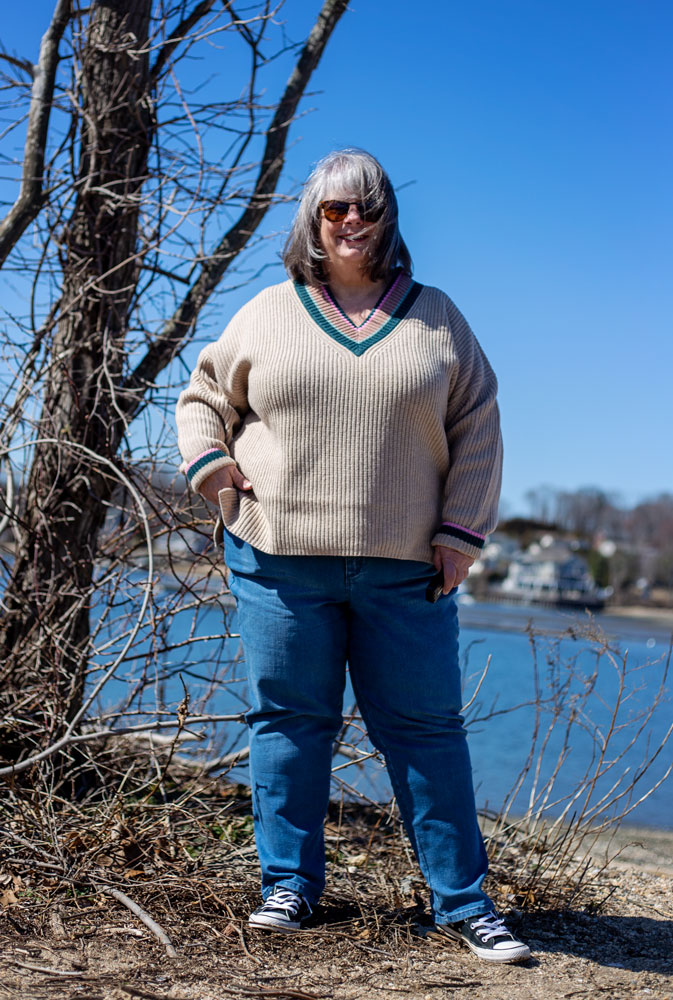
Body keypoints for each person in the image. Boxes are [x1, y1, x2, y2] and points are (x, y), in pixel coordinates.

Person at [176, 148, 530, 964]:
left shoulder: (437, 316)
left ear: (386, 220)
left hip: (406, 568)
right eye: (334, 209)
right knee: (290, 725)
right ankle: (287, 887)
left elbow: (478, 426)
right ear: (311, 219)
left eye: (365, 208)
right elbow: (201, 396)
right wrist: (212, 469)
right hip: (278, 558)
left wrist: (459, 536)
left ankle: (464, 904)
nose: (350, 222)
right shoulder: (268, 311)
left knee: (426, 732)